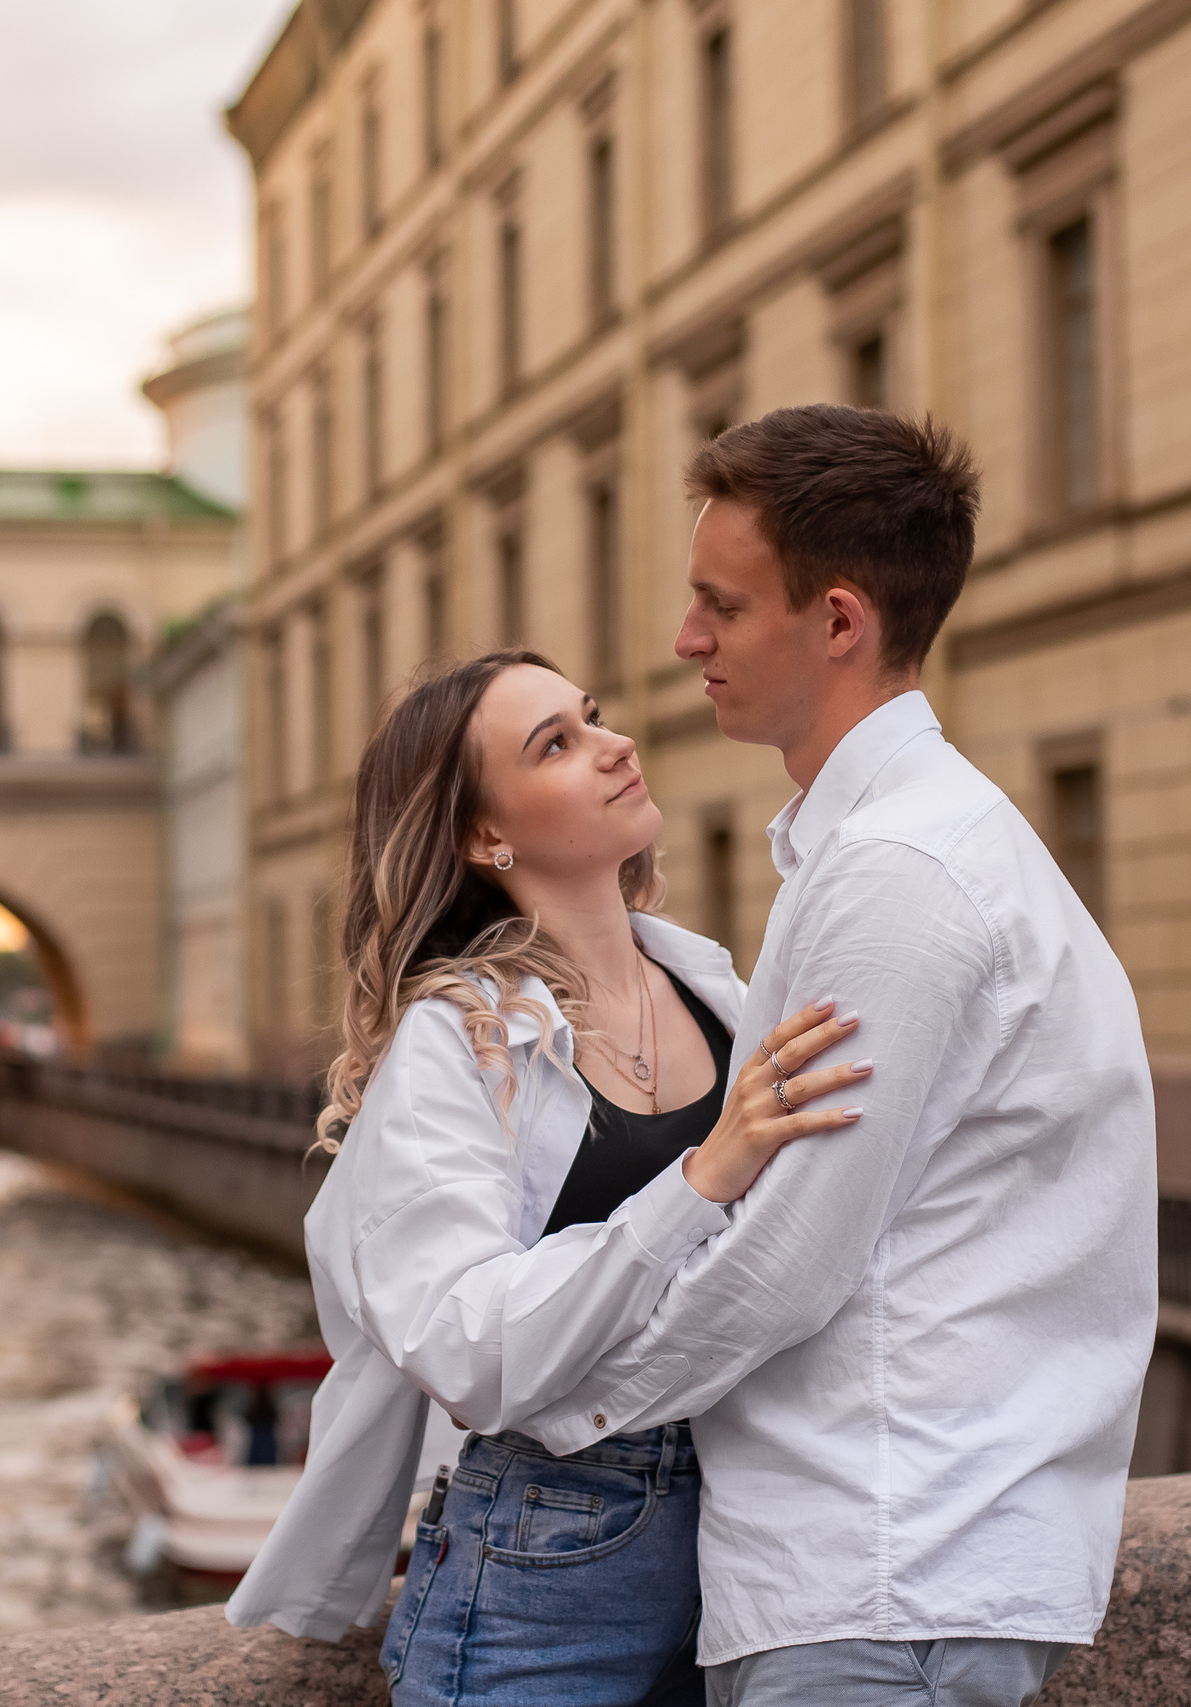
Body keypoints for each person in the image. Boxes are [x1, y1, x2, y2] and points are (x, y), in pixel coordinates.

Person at [501, 406, 1158, 1707]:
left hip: (884, 1576)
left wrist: (555, 1417)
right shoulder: (899, 845)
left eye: (722, 605)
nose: (686, 639)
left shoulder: (898, 873)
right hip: (889, 1569)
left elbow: (785, 1260)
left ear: (840, 620)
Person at [225, 648, 876, 1706]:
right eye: (556, 745)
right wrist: (696, 1184)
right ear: (485, 835)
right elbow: (466, 1346)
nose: (616, 744)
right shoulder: (454, 1042)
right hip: (546, 1564)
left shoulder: (716, 986)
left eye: (594, 716)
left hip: (756, 1527)